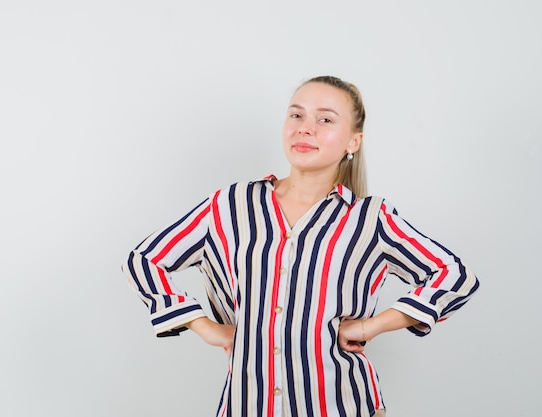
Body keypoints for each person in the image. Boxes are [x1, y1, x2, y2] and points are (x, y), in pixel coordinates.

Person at [124, 75, 479, 417]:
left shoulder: (371, 218)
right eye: (297, 115)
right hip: (248, 404)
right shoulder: (230, 205)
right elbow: (144, 260)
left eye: (325, 119)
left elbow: (454, 276)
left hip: (343, 405)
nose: (305, 128)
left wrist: (369, 327)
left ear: (353, 141)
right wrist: (204, 326)